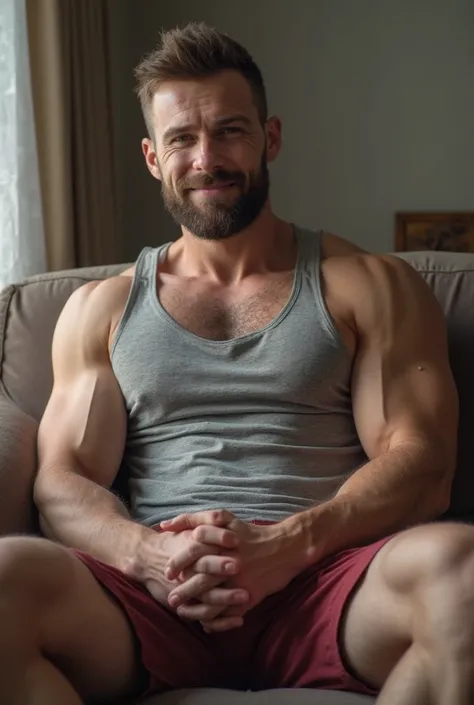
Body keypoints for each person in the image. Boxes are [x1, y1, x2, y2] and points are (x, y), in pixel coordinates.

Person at [1, 21, 468, 705]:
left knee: (463, 571)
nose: (206, 158)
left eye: (229, 131)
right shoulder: (101, 309)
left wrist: (286, 546)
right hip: (157, 596)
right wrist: (149, 556)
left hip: (327, 583)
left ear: (269, 138)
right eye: (181, 139)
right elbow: (62, 480)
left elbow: (423, 464)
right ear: (152, 157)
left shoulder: (369, 285)